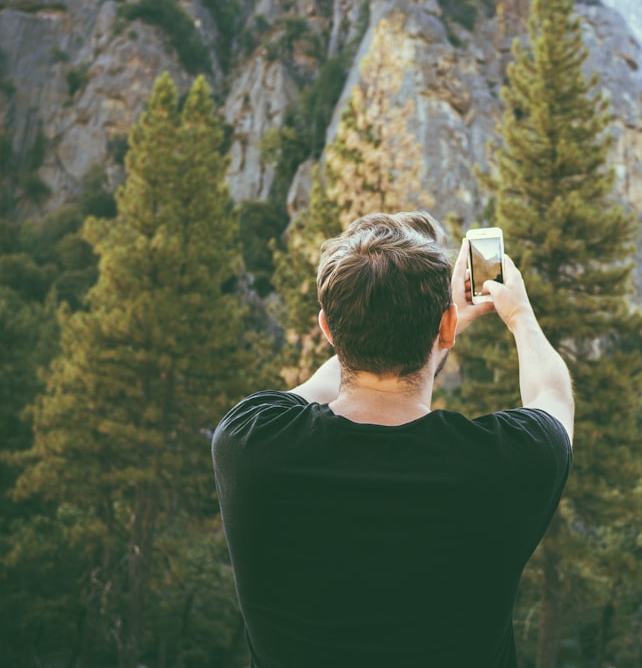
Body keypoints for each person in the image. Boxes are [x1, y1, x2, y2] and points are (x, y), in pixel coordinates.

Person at [212, 211, 574, 667]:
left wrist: (430, 326)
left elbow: (319, 387)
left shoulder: (248, 445)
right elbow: (552, 395)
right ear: (446, 328)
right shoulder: (503, 465)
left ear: (327, 329)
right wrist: (518, 315)